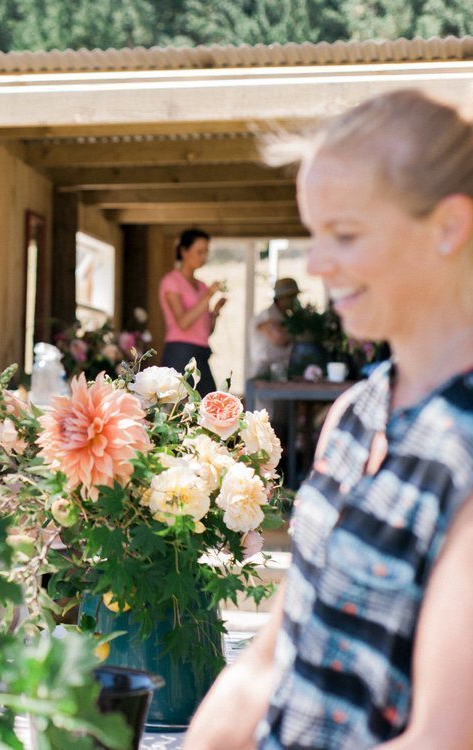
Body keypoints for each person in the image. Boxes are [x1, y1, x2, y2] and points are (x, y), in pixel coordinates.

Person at [185, 89, 473, 749]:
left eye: (344, 235)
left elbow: (443, 738)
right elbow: (270, 662)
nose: (316, 265)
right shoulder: (354, 416)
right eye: (315, 235)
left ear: (449, 227)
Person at [159, 228, 226, 395]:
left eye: (206, 252)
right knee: (179, 410)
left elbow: (206, 331)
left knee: (207, 405)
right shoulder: (171, 281)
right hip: (180, 352)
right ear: (184, 251)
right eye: (199, 252)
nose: (203, 257)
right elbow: (183, 323)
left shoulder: (202, 286)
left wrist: (215, 312)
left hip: (201, 353)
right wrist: (208, 296)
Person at [251, 277, 300, 380]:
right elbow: (279, 338)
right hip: (265, 372)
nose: (294, 300)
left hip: (280, 370)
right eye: (291, 297)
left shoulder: (284, 316)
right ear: (282, 298)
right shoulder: (267, 316)